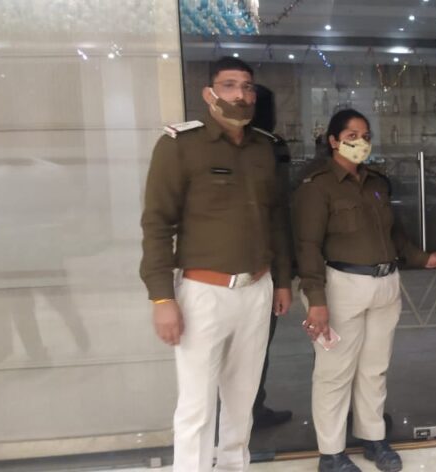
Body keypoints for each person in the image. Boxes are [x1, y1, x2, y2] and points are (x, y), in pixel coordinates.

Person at [140, 56, 293, 471]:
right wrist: (161, 298)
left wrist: (282, 281)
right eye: (229, 85)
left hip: (257, 290)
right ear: (209, 93)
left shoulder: (264, 148)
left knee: (242, 400)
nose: (240, 95)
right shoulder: (180, 145)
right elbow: (157, 224)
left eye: (247, 87)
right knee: (198, 406)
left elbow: (276, 220)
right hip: (203, 293)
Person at [292, 109, 436, 472]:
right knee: (335, 372)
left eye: (365, 136)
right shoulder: (316, 186)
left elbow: (393, 235)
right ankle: (331, 453)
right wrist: (316, 300)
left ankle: (372, 437)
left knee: (374, 369)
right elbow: (307, 246)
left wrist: (423, 258)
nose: (360, 142)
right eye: (351, 136)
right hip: (341, 285)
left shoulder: (377, 182)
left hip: (385, 284)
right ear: (333, 141)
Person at [249, 84, 294, 429]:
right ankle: (252, 407)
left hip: (263, 265)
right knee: (256, 346)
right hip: (260, 262)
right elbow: (281, 208)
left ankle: (252, 407)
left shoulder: (267, 145)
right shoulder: (271, 147)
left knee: (255, 346)